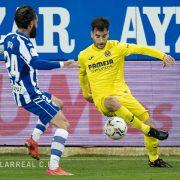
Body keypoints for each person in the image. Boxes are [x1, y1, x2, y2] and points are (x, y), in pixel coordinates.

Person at [78, 17, 175, 168]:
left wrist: (161, 55)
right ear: (92, 34)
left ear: (108, 34)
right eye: (98, 36)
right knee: (112, 102)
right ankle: (147, 130)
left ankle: (154, 159)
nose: (101, 40)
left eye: (104, 36)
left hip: (123, 95)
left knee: (149, 121)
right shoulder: (84, 55)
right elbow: (82, 75)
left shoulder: (117, 47)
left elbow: (139, 48)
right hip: (103, 99)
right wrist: (86, 94)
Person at [3, 5, 78, 176]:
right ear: (30, 24)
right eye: (36, 21)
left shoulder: (8, 38)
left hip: (21, 91)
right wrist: (63, 64)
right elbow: (36, 63)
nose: (37, 24)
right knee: (64, 125)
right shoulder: (25, 43)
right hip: (30, 95)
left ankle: (33, 140)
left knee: (59, 103)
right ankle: (53, 168)